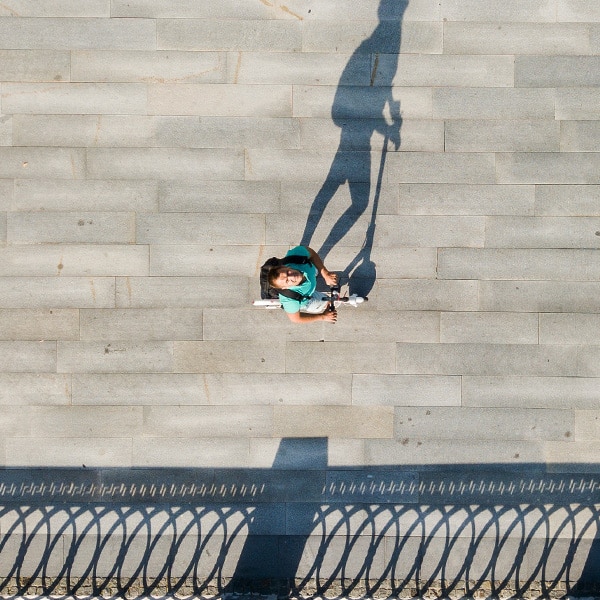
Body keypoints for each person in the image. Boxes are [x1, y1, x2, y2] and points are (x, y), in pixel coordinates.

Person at [268, 245, 339, 323]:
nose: (292, 276)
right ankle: (325, 302)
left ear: (285, 266)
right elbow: (296, 319)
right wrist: (322, 317)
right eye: (287, 281)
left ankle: (315, 272)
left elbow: (311, 253)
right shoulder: (289, 300)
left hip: (309, 272)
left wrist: (325, 273)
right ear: (284, 288)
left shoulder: (295, 257)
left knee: (314, 267)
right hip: (306, 298)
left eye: (288, 272)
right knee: (327, 301)